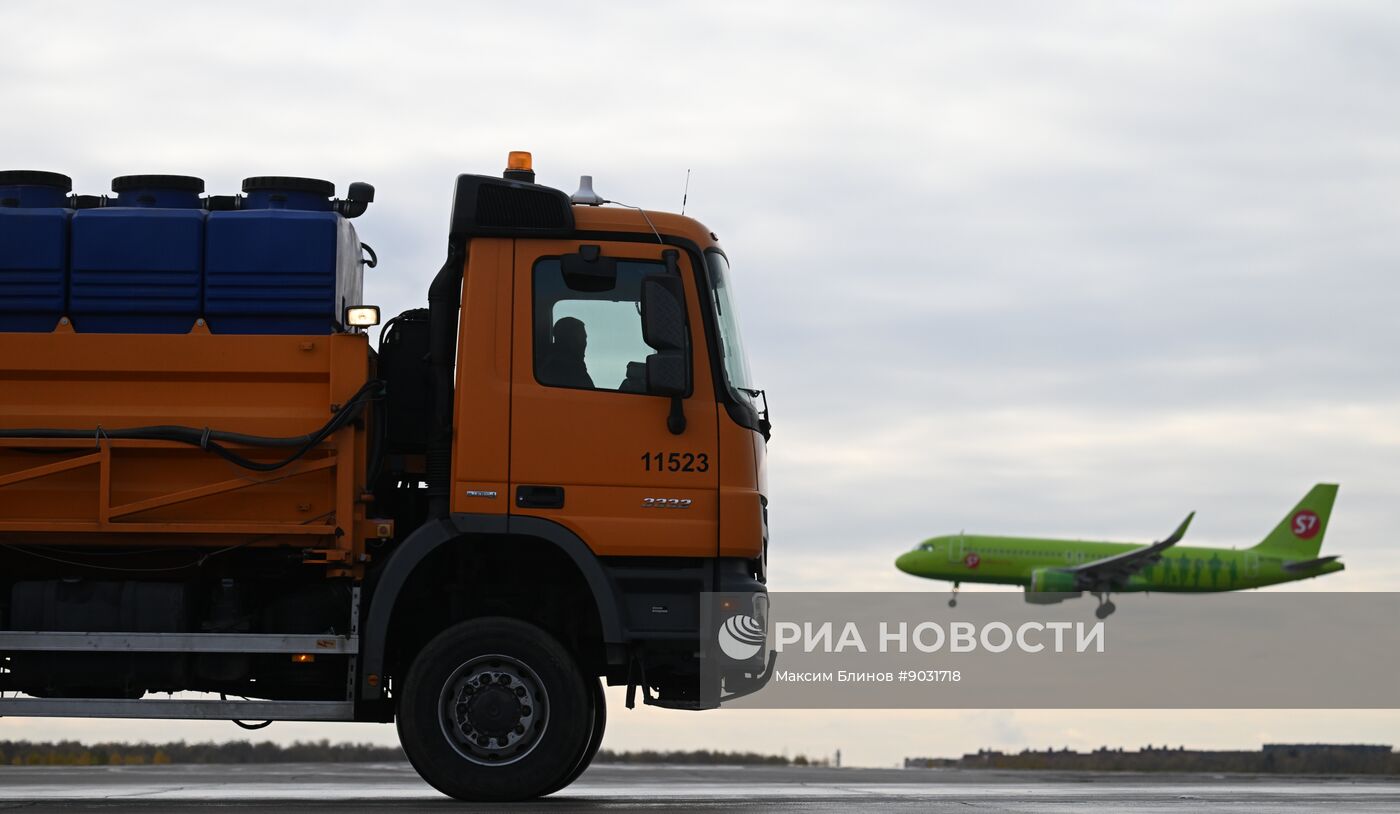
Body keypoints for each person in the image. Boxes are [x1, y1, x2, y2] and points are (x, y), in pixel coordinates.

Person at [540, 316, 593, 388]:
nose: (584, 343)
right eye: (578, 339)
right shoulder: (563, 369)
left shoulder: (575, 366)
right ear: (565, 340)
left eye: (584, 338)